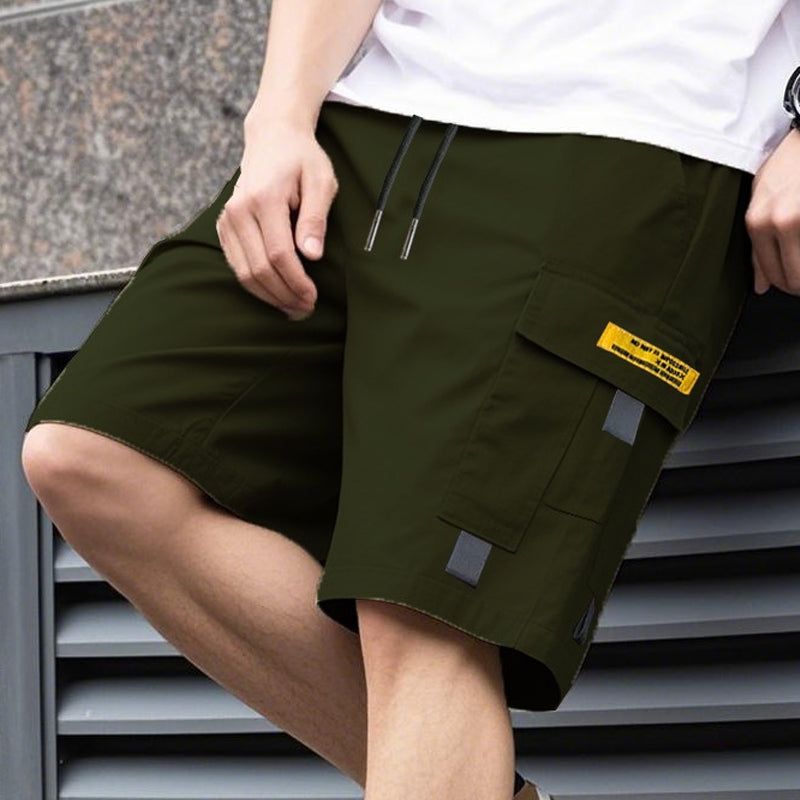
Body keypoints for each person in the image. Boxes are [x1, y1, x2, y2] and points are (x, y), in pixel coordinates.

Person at [19, 2, 800, 799]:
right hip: (369, 112)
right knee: (92, 455)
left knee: (421, 609)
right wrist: (280, 114)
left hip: (628, 132)